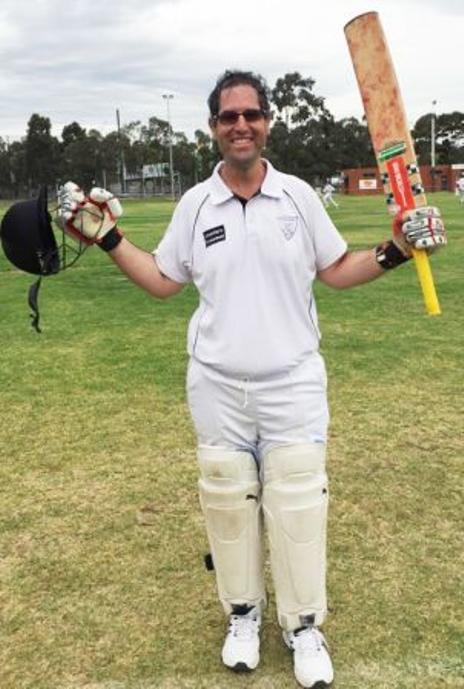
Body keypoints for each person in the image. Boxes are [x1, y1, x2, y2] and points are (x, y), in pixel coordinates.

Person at [56, 70, 446, 689]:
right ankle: (243, 614)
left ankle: (303, 627)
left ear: (267, 123)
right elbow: (163, 281)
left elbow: (337, 270)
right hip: (216, 384)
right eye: (228, 116)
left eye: (251, 114)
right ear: (213, 128)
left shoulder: (297, 197)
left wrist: (395, 247)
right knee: (227, 500)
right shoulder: (194, 204)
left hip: (291, 380)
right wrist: (108, 239)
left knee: (296, 501)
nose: (241, 125)